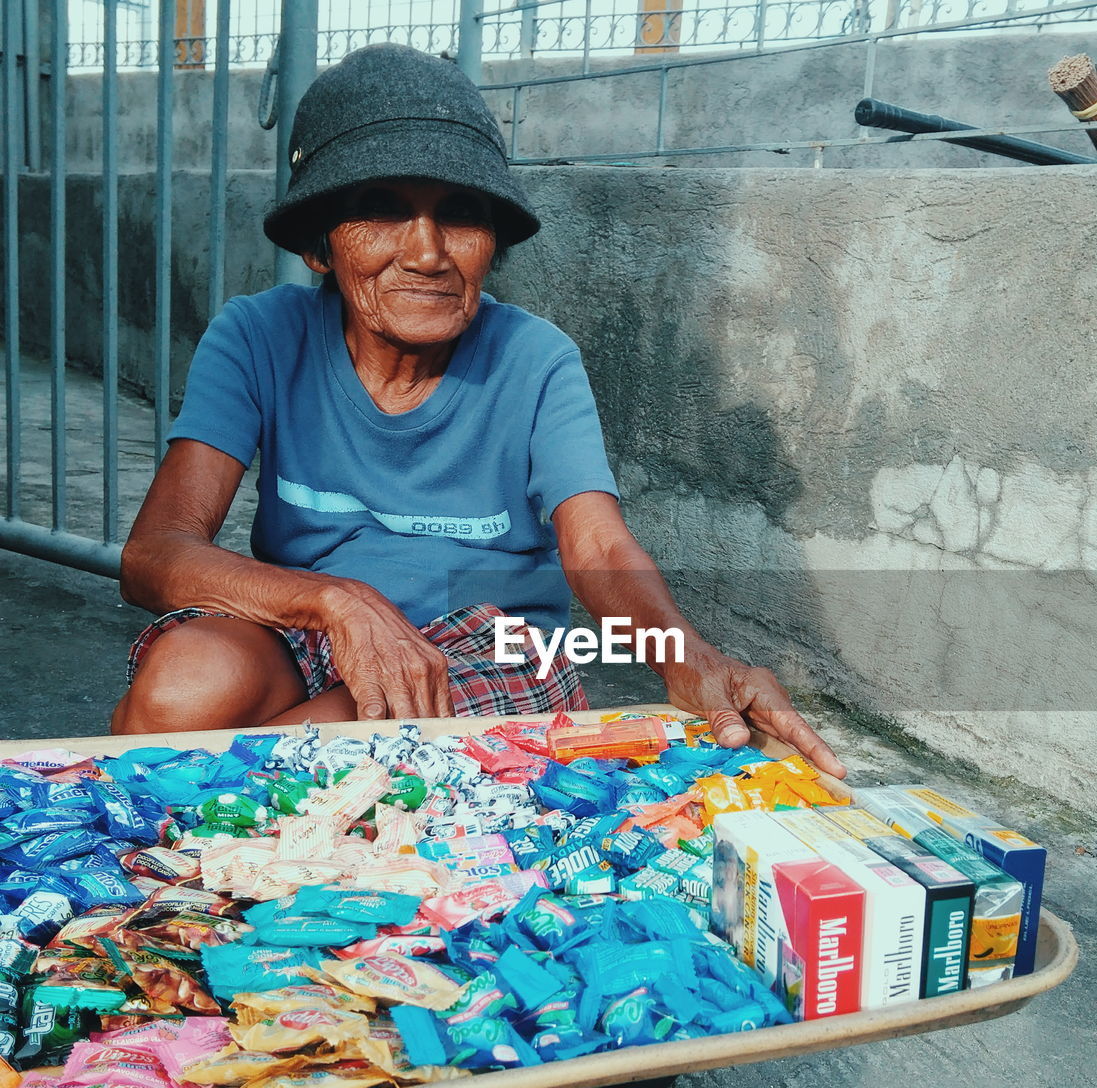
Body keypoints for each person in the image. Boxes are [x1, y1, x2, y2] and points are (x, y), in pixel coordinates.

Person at [111, 43, 844, 779]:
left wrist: (689, 659)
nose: (428, 253)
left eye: (459, 216)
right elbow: (155, 554)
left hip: (494, 645)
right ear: (319, 244)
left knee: (311, 764)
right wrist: (336, 599)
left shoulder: (535, 360)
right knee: (181, 689)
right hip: (318, 625)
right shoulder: (258, 336)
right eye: (382, 210)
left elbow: (597, 548)